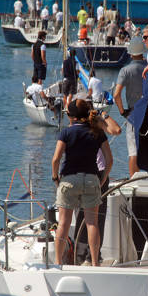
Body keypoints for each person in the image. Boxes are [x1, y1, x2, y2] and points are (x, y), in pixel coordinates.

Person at [52, 99, 113, 267]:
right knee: (92, 223)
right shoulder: (97, 132)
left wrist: (55, 177)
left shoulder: (66, 132)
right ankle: (94, 262)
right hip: (92, 179)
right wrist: (102, 178)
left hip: (69, 179)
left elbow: (56, 159)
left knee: (63, 223)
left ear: (71, 116)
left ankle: (58, 263)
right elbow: (109, 160)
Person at [114, 37, 147, 177]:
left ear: (130, 53)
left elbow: (116, 95)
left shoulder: (125, 70)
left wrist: (122, 112)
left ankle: (134, 179)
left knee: (133, 150)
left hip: (133, 114)